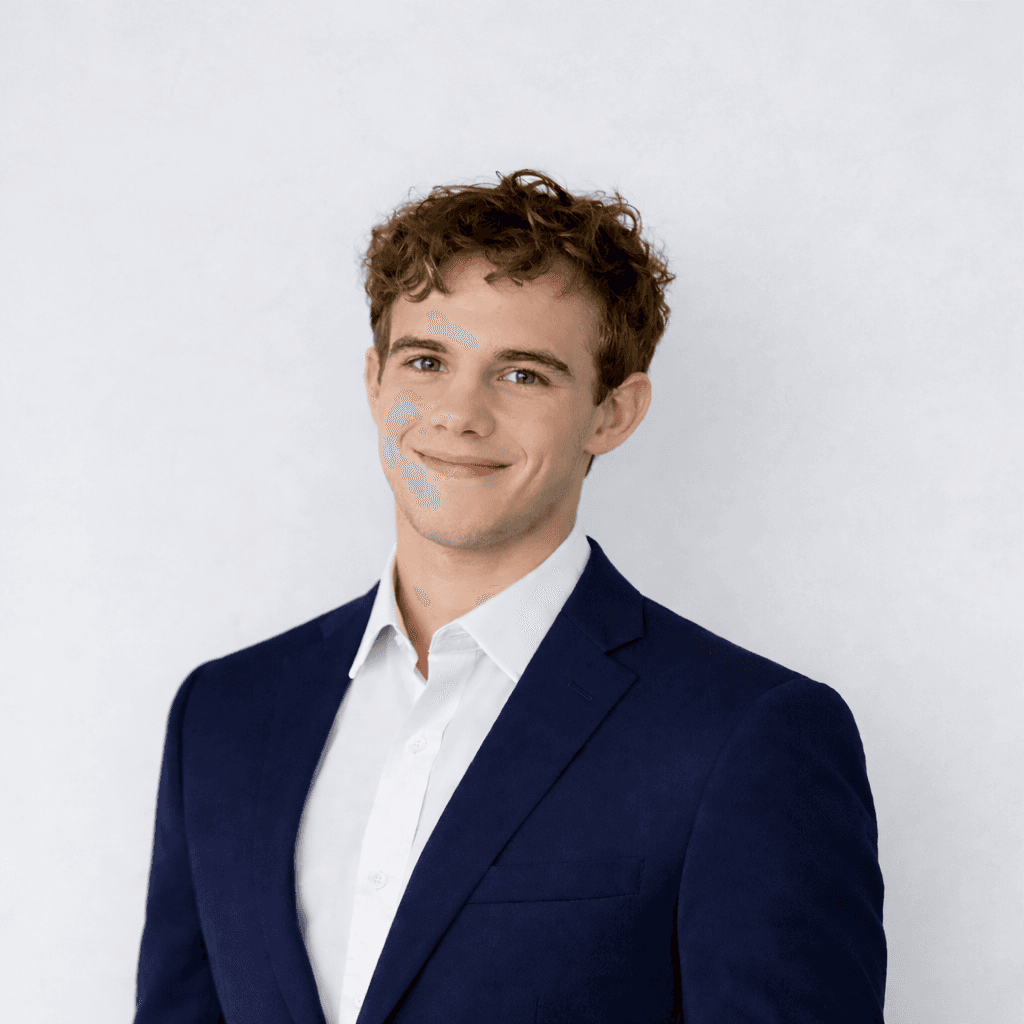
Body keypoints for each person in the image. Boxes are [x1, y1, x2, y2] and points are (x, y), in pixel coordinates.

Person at [134, 170, 886, 1024]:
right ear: (376, 379)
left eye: (523, 374)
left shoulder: (747, 734)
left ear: (613, 412)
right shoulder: (224, 714)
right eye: (427, 360)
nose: (459, 414)